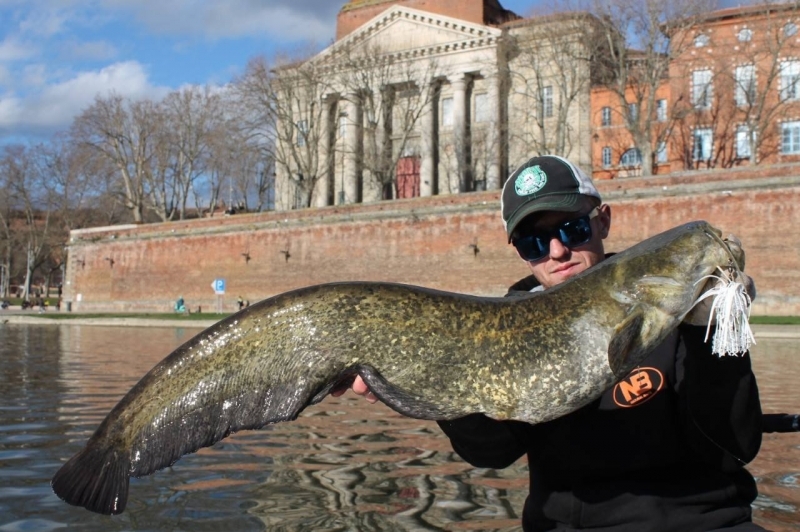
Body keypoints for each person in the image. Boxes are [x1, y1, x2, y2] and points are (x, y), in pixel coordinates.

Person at [335, 155, 765, 531]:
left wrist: (713, 337)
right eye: (533, 241)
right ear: (520, 252)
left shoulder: (668, 302)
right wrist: (426, 383)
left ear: (603, 221)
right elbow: (493, 452)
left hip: (704, 523)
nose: (557, 251)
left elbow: (734, 446)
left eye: (573, 229)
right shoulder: (501, 328)